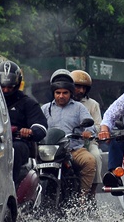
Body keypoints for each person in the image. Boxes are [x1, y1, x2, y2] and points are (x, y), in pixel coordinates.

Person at [41, 69, 97, 198]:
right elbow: (38, 126)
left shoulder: (79, 107)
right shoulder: (45, 109)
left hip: (74, 150)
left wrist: (88, 131)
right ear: (53, 93)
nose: (61, 96)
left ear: (70, 93)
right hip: (50, 152)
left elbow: (90, 125)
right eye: (58, 93)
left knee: (90, 161)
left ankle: (82, 200)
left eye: (65, 93)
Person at [0, 60, 48, 182]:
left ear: (18, 84)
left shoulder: (27, 103)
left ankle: (10, 186)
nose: (5, 91)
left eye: (9, 87)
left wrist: (30, 131)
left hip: (19, 143)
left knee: (14, 149)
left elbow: (41, 127)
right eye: (2, 87)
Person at [71, 70, 103, 195]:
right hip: (68, 142)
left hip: (88, 142)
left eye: (84, 88)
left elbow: (98, 125)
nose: (80, 91)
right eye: (77, 86)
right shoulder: (62, 104)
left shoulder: (92, 104)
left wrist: (89, 132)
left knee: (95, 157)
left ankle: (91, 192)